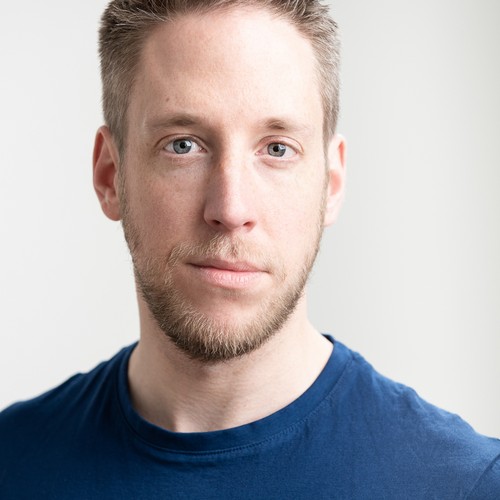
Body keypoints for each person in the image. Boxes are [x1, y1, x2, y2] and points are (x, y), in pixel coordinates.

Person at [0, 0, 499, 497]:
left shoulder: (465, 485)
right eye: (183, 144)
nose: (231, 208)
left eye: (277, 148)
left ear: (331, 183)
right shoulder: (12, 463)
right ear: (111, 175)